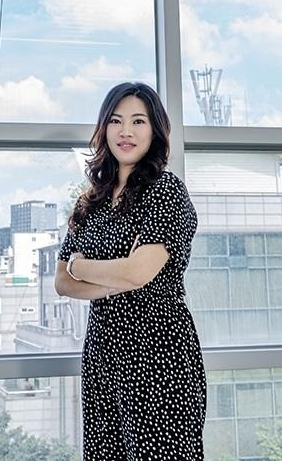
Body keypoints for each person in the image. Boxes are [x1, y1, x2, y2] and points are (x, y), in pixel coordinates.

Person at [55, 82, 206, 460]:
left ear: (155, 130)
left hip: (159, 355)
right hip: (104, 354)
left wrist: (83, 267)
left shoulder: (165, 191)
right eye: (117, 121)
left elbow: (140, 273)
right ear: (104, 128)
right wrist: (113, 276)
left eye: (138, 121)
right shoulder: (91, 199)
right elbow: (62, 281)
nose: (126, 131)